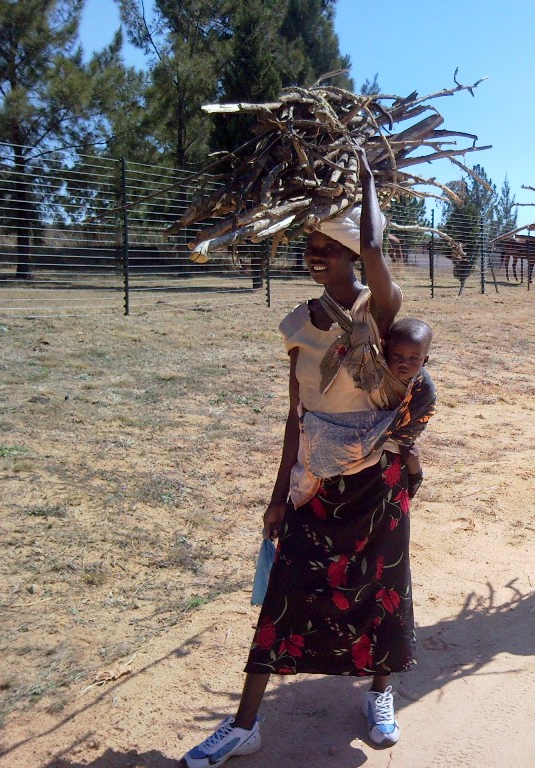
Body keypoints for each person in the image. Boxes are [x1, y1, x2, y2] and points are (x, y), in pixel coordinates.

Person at [183, 146, 426, 768]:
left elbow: (377, 255)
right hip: (315, 480)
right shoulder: (298, 323)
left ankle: (379, 690)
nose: (315, 253)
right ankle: (244, 725)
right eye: (309, 243)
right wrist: (276, 493)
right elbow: (296, 413)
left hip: (378, 479)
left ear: (353, 254)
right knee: (287, 590)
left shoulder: (380, 314)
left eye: (328, 245)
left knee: (381, 586)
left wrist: (368, 182)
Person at [383, 317, 434, 499]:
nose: (404, 363)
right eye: (397, 355)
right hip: (395, 416)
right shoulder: (381, 373)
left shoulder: (423, 385)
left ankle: (415, 475)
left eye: (413, 358)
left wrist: (389, 431)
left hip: (414, 417)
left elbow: (422, 408)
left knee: (406, 449)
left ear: (424, 359)